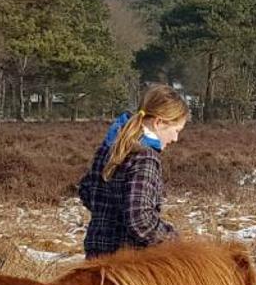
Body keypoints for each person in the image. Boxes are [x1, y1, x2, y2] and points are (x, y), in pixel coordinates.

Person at [78, 83, 189, 258]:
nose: (175, 138)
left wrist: (107, 215)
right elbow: (140, 219)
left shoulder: (110, 147)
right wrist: (175, 242)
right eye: (176, 130)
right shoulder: (145, 157)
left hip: (96, 257)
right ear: (159, 122)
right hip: (127, 265)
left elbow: (87, 188)